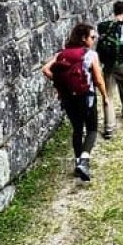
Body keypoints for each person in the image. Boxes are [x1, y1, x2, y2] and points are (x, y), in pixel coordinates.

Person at [42, 23, 110, 181]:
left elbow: (46, 69)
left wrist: (60, 81)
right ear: (83, 38)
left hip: (67, 99)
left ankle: (78, 161)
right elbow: (99, 80)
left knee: (77, 129)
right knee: (92, 129)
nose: (94, 40)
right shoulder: (91, 55)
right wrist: (105, 96)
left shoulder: (61, 54)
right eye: (92, 37)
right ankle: (84, 161)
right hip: (86, 98)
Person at [97, 1, 123, 139]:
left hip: (108, 66)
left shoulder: (104, 27)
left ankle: (108, 128)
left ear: (114, 11)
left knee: (107, 96)